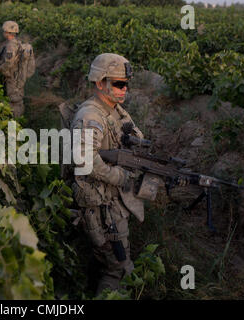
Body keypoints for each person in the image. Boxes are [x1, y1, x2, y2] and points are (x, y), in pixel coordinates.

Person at [69, 53, 144, 295]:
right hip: (101, 205)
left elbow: (136, 137)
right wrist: (120, 177)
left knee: (106, 262)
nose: (124, 89)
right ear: (100, 83)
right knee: (119, 271)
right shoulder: (91, 116)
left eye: (126, 84)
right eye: (119, 84)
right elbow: (84, 159)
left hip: (112, 201)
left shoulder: (115, 110)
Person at [0, 21, 27, 117]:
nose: (3, 33)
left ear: (8, 32)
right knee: (15, 98)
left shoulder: (11, 45)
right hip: (16, 74)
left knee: (14, 99)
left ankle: (16, 120)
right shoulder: (16, 43)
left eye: (4, 31)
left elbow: (9, 62)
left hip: (13, 76)